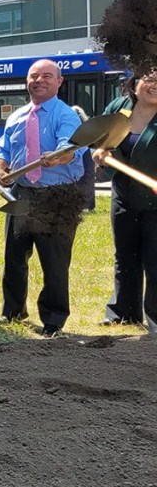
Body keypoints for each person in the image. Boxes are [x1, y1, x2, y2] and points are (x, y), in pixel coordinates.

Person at [0, 59, 83, 338]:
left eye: (46, 76)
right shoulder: (16, 116)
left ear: (59, 81)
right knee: (14, 256)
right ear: (27, 81)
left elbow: (70, 147)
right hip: (21, 193)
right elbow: (3, 148)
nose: (39, 80)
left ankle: (53, 320)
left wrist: (59, 157)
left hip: (56, 197)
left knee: (54, 262)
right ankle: (13, 310)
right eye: (33, 76)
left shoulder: (66, 116)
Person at [92, 70, 157, 332]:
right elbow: (102, 140)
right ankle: (123, 312)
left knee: (155, 258)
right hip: (124, 193)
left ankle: (154, 316)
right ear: (135, 82)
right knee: (125, 254)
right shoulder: (119, 108)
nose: (154, 85)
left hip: (154, 200)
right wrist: (100, 152)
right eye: (150, 78)